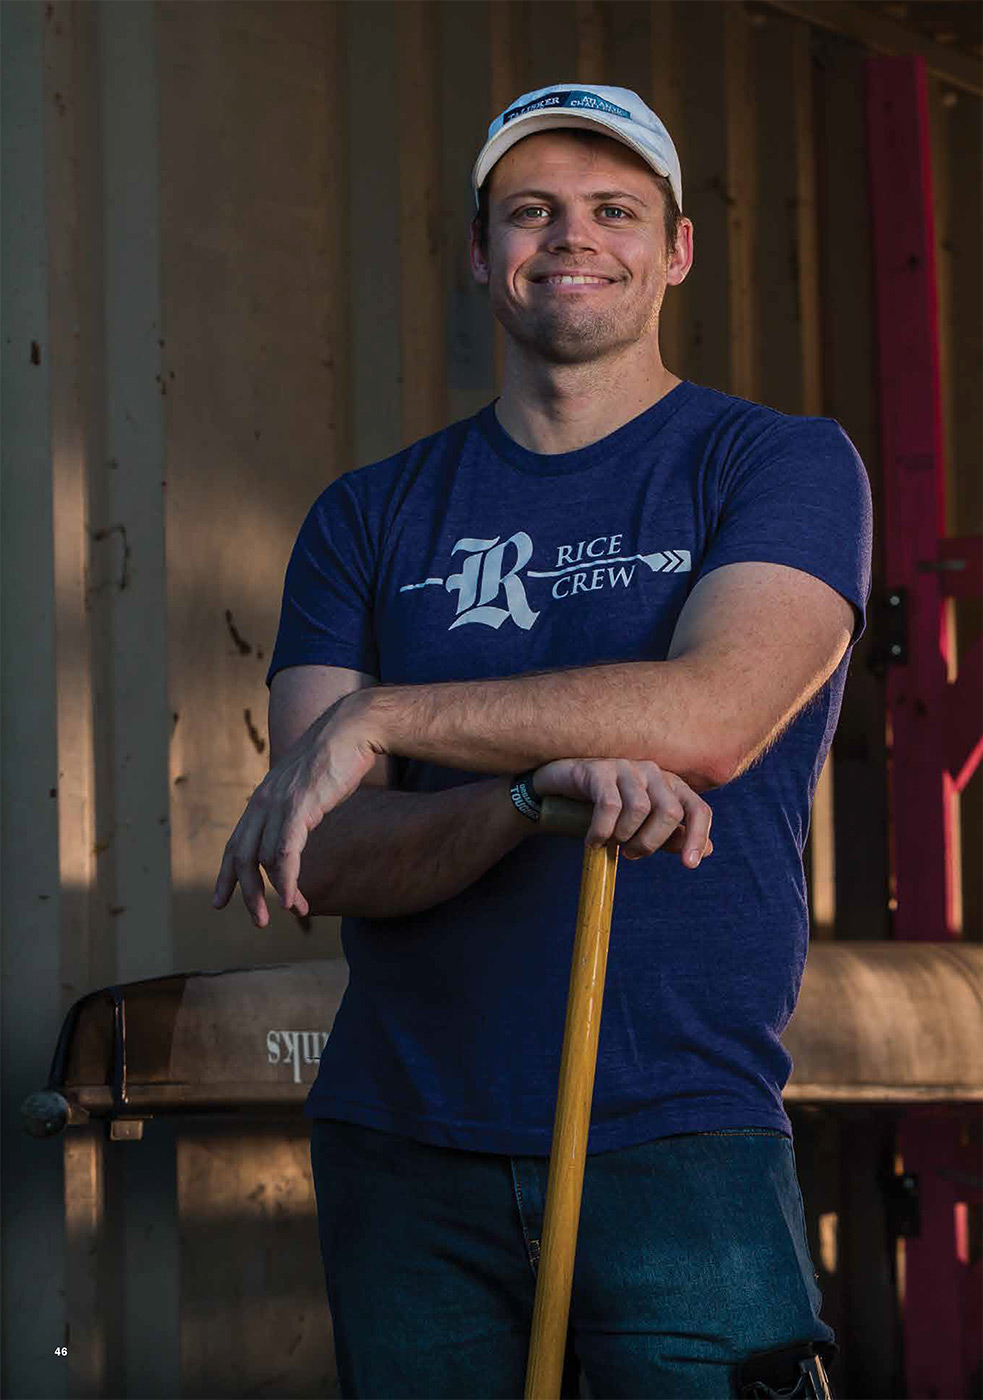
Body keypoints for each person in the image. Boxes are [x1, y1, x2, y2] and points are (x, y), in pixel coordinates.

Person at [213, 83, 870, 1399]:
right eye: (532, 211)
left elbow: (713, 716)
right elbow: (319, 854)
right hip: (404, 1153)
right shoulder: (367, 516)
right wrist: (523, 799)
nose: (575, 237)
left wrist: (384, 715)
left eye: (616, 210)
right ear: (480, 251)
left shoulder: (775, 466)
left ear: (676, 251)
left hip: (679, 1141)